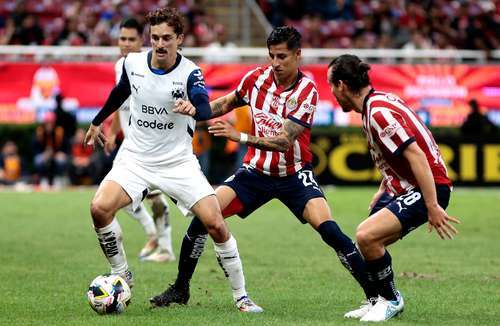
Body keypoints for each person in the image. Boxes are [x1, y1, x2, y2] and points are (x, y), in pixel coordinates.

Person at [150, 26, 372, 315]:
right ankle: (181, 288)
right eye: (272, 57)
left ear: (298, 55)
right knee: (204, 217)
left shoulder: (307, 90)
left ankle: (375, 295)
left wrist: (240, 137)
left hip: (294, 175)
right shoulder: (256, 78)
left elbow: (283, 141)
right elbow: (228, 102)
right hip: (254, 173)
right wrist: (195, 108)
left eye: (282, 57)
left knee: (329, 230)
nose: (276, 63)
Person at [84, 7, 260, 312]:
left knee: (215, 223)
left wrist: (195, 108)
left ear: (180, 39)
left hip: (178, 163)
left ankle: (241, 296)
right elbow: (121, 92)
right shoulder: (133, 63)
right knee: (99, 208)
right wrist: (98, 121)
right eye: (155, 37)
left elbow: (205, 107)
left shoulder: (190, 72)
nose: (160, 43)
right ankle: (121, 273)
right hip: (136, 159)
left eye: (167, 37)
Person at [327, 54, 460, 322]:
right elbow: (395, 155)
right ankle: (376, 299)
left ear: (341, 85)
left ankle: (391, 300)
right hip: (407, 187)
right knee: (365, 243)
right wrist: (384, 185)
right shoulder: (374, 105)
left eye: (331, 86)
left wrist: (432, 205)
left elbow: (416, 156)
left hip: (428, 188)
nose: (331, 92)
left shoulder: (377, 112)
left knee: (367, 236)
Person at [105, 17, 174, 263]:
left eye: (131, 39)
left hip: (148, 146)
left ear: (141, 41)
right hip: (131, 144)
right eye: (122, 39)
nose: (125, 44)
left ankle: (160, 242)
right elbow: (120, 103)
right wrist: (113, 132)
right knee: (120, 196)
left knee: (124, 196)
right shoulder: (119, 66)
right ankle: (158, 240)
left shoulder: (149, 66)